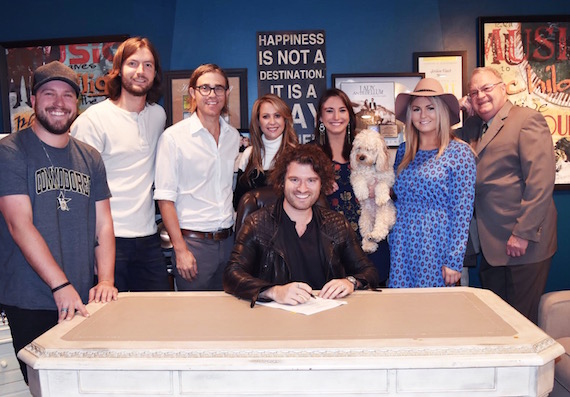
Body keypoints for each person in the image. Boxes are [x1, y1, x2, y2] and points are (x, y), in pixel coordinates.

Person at [0, 61, 117, 382]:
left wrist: (105, 280)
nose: (59, 102)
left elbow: (104, 224)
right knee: (44, 386)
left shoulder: (90, 156)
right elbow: (18, 224)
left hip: (82, 296)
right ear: (34, 101)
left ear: (76, 104)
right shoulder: (10, 151)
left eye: (67, 95)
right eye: (49, 93)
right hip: (31, 296)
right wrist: (60, 285)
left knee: (84, 384)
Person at [71, 37, 170, 292]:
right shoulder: (94, 120)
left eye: (148, 65)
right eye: (133, 63)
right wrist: (90, 249)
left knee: (156, 318)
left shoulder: (158, 116)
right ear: (118, 69)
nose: (140, 72)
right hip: (107, 240)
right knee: (108, 324)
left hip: (148, 238)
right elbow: (79, 190)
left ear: (155, 73)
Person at [223, 144, 379, 306]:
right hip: (273, 319)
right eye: (294, 180)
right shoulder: (257, 224)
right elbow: (232, 274)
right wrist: (273, 291)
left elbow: (369, 272)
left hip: (327, 318)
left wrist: (350, 282)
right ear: (282, 181)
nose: (302, 188)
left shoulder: (337, 225)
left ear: (322, 184)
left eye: (311, 180)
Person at [463, 67, 557, 324]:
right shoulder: (475, 126)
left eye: (487, 88)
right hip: (492, 245)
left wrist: (523, 233)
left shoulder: (527, 120)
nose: (480, 96)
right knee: (497, 322)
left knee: (521, 323)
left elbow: (540, 181)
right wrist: (461, 110)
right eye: (474, 92)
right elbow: (445, 141)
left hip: (522, 242)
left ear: (503, 88)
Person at [154, 64, 239, 291]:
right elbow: (165, 199)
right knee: (195, 320)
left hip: (229, 242)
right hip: (194, 245)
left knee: (229, 316)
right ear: (192, 93)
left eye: (218, 88)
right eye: (205, 88)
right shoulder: (173, 138)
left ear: (227, 93)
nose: (212, 94)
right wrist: (180, 250)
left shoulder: (233, 137)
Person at [389, 78, 476, 288]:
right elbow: (395, 197)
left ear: (442, 112)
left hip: (436, 244)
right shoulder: (403, 151)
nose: (423, 115)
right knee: (403, 311)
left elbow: (462, 212)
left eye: (430, 108)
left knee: (437, 313)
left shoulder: (460, 153)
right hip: (402, 243)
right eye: (417, 109)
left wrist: (454, 261)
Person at [313, 88, 390, 284]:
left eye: (342, 110)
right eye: (329, 111)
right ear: (320, 117)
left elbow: (388, 181)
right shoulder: (311, 154)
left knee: (373, 307)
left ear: (349, 114)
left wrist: (381, 188)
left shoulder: (365, 146)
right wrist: (318, 188)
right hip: (328, 244)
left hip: (368, 237)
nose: (336, 116)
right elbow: (296, 195)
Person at [233, 93, 298, 209]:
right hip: (254, 225)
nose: (272, 122)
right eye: (266, 116)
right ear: (258, 121)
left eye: (277, 116)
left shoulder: (297, 155)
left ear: (285, 120)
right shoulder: (249, 154)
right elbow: (238, 202)